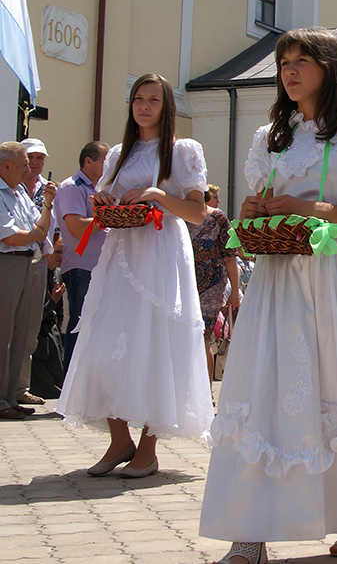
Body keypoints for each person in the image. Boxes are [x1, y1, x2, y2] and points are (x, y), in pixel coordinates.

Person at [200, 28, 337, 563]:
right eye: (284, 63)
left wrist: (314, 210)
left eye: (302, 61)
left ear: (330, 67)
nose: (290, 71)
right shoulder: (271, 137)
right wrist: (256, 211)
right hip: (279, 281)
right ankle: (249, 530)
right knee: (266, 391)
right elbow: (258, 203)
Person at [56, 73, 213, 478]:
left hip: (160, 255)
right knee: (103, 343)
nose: (144, 106)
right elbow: (102, 198)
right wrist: (104, 198)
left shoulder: (181, 151)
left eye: (153, 100)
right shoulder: (117, 154)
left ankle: (148, 448)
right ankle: (119, 439)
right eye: (138, 99)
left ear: (167, 107)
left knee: (154, 344)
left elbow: (198, 212)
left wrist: (160, 196)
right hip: (120, 254)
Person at [0, 141, 57, 419]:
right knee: (3, 333)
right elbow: (11, 236)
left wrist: (47, 204)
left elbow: (41, 228)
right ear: (6, 165)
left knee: (22, 332)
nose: (28, 169)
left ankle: (10, 396)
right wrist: (34, 234)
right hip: (7, 263)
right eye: (23, 164)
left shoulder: (19, 192)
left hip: (26, 262)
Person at [53, 141, 109, 370]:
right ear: (89, 161)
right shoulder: (71, 187)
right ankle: (69, 393)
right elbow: (76, 228)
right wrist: (110, 217)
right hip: (82, 268)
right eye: (105, 161)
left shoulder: (98, 190)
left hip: (98, 268)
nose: (109, 166)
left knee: (95, 331)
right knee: (79, 328)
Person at [186, 184, 241, 389]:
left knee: (202, 336)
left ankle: (206, 391)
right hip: (183, 281)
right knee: (184, 335)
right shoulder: (178, 216)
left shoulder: (218, 218)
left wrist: (234, 292)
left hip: (211, 285)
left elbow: (230, 257)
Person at [15, 137, 52, 406]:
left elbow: (52, 227)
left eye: (41, 158)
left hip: (39, 258)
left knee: (30, 326)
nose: (36, 163)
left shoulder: (46, 189)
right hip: (13, 257)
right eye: (32, 158)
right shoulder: (10, 187)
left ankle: (19, 387)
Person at [31, 230, 66, 399]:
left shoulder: (57, 274)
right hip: (39, 334)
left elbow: (60, 314)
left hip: (52, 334)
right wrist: (53, 300)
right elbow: (34, 316)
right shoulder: (37, 274)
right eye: (57, 252)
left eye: (63, 252)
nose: (60, 256)